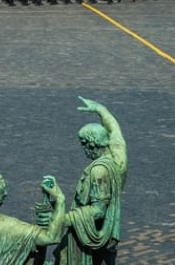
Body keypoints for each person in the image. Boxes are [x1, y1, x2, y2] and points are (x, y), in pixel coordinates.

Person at [58, 98, 127, 265]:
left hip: (95, 234)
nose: (82, 149)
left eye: (83, 144)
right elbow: (115, 132)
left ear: (92, 144)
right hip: (109, 233)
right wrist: (101, 110)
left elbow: (98, 211)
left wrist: (63, 218)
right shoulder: (118, 159)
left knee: (63, 256)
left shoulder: (98, 171)